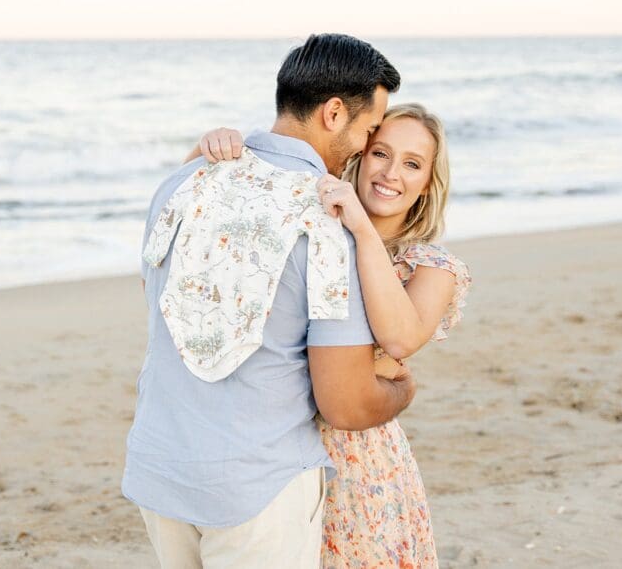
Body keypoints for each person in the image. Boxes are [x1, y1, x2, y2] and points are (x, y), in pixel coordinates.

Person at [122, 33, 413, 569]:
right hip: (257, 490)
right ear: (332, 113)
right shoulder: (328, 219)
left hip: (159, 471)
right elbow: (346, 404)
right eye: (369, 129)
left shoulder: (180, 184)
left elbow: (158, 303)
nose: (365, 146)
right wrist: (400, 392)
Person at [195, 103, 471, 567]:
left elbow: (401, 339)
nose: (391, 173)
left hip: (361, 462)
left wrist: (362, 230)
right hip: (277, 445)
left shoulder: (431, 267)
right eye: (381, 153)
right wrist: (209, 151)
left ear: (427, 184)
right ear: (359, 156)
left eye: (412, 164)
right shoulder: (312, 226)